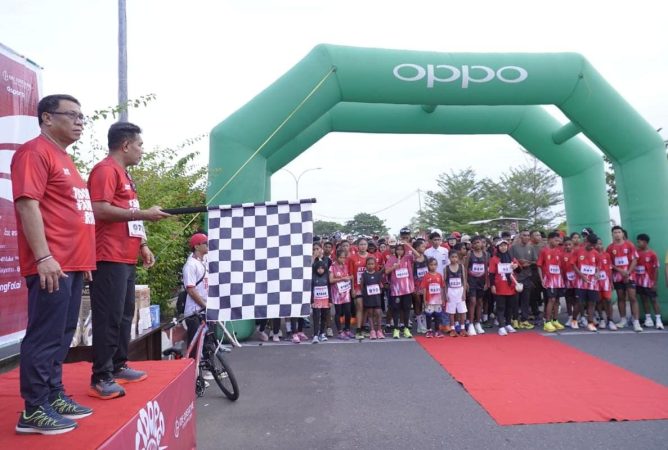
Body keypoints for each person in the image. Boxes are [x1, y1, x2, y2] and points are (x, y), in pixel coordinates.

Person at [11, 94, 96, 434]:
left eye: (82, 117)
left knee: (62, 334)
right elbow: (27, 204)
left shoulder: (65, 158)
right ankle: (33, 410)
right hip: (51, 263)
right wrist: (44, 256)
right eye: (72, 115)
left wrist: (83, 260)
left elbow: (70, 212)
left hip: (72, 264)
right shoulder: (34, 152)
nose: (80, 122)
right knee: (44, 335)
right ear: (47, 118)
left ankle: (53, 394)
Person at [87, 122, 171, 399]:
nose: (142, 150)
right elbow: (99, 209)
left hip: (126, 255)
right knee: (108, 316)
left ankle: (119, 365)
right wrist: (144, 214)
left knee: (124, 314)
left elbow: (131, 212)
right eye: (139, 145)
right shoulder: (105, 170)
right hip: (108, 255)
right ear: (125, 145)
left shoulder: (125, 174)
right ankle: (101, 376)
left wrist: (143, 244)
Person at [606, 226, 642, 331]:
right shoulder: (610, 248)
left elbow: (635, 260)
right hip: (617, 277)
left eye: (619, 232)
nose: (617, 234)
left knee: (632, 297)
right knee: (620, 298)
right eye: (615, 232)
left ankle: (636, 322)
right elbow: (609, 264)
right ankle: (623, 320)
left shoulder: (629, 245)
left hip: (630, 276)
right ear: (612, 234)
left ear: (622, 234)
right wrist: (620, 270)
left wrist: (628, 272)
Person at [385, 242, 416, 339]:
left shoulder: (408, 258)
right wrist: (394, 267)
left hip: (407, 289)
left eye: (401, 249)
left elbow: (418, 256)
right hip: (396, 290)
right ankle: (396, 329)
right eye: (397, 249)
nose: (399, 251)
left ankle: (406, 328)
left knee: (406, 309)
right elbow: (386, 271)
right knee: (396, 309)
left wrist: (409, 245)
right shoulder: (391, 259)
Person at [536, 232, 565, 332]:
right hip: (549, 280)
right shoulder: (543, 251)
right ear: (549, 239)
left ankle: (555, 320)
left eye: (558, 240)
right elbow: (539, 266)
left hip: (558, 279)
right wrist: (541, 279)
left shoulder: (558, 251)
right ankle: (547, 321)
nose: (558, 242)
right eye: (555, 240)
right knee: (551, 299)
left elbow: (560, 266)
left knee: (557, 300)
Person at [488, 240, 519, 336]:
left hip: (511, 286)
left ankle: (508, 324)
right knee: (500, 307)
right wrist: (492, 285)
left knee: (510, 307)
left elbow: (519, 270)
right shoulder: (494, 259)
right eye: (501, 246)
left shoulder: (512, 258)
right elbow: (491, 274)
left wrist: (516, 266)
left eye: (505, 245)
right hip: (499, 286)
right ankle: (501, 326)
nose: (503, 247)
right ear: (497, 248)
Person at [573, 234, 601, 332]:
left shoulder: (596, 253)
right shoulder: (578, 251)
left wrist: (597, 273)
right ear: (586, 242)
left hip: (592, 283)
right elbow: (573, 265)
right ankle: (574, 319)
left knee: (592, 303)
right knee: (580, 302)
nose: (592, 247)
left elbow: (598, 265)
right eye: (590, 244)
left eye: (594, 245)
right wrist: (581, 275)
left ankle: (590, 323)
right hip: (580, 282)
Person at [510, 230, 537, 329]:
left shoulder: (531, 247)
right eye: (524, 235)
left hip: (527, 277)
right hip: (516, 278)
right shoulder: (513, 247)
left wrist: (528, 263)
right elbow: (509, 261)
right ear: (520, 236)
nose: (526, 237)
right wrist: (519, 263)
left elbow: (536, 261)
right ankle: (515, 319)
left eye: (528, 235)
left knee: (526, 300)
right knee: (515, 300)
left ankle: (524, 320)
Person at [635, 234, 663, 329]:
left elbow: (656, 269)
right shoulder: (637, 253)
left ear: (645, 242)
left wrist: (654, 283)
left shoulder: (652, 254)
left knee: (654, 300)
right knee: (644, 299)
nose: (637, 243)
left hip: (650, 282)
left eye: (639, 242)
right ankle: (648, 319)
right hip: (639, 282)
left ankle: (658, 320)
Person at [347, 238, 372, 339]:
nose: (363, 246)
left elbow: (374, 272)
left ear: (367, 246)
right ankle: (358, 330)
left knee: (366, 308)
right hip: (357, 287)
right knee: (359, 307)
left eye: (365, 244)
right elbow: (351, 275)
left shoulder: (371, 257)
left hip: (369, 287)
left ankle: (363, 328)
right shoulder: (352, 258)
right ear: (357, 246)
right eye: (361, 244)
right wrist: (352, 289)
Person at [466, 236, 488, 335]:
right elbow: (465, 268)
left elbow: (486, 269)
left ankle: (478, 323)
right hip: (471, 280)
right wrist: (466, 282)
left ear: (482, 243)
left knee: (480, 302)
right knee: (472, 301)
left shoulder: (485, 254)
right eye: (474, 243)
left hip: (481, 281)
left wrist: (487, 282)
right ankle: (470, 324)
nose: (476, 245)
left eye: (478, 242)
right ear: (472, 245)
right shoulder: (470, 254)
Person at [330, 249, 353, 340]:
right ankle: (339, 331)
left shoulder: (346, 266)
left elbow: (350, 276)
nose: (342, 259)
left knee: (348, 312)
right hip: (337, 293)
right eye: (340, 257)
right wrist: (342, 279)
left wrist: (349, 278)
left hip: (346, 292)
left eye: (344, 257)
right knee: (338, 312)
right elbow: (331, 280)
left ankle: (347, 329)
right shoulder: (332, 267)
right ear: (336, 257)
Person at [444, 251, 468, 337]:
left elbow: (464, 280)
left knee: (462, 311)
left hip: (460, 290)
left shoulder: (461, 267)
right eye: (452, 257)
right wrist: (446, 294)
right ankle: (453, 329)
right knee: (451, 311)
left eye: (455, 257)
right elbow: (445, 282)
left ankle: (462, 329)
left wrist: (464, 293)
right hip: (451, 291)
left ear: (458, 258)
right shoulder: (446, 268)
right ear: (449, 258)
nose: (454, 259)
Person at [420, 258, 445, 338]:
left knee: (438, 315)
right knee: (428, 315)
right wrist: (424, 300)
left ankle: (437, 330)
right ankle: (429, 330)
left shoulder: (439, 276)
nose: (433, 266)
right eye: (431, 265)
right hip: (429, 300)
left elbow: (442, 288)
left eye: (434, 264)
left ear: (437, 265)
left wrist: (443, 299)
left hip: (438, 300)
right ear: (428, 266)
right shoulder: (426, 276)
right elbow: (424, 288)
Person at [360, 257, 384, 339]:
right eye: (369, 264)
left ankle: (379, 330)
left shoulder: (377, 274)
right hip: (368, 297)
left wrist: (380, 288)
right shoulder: (364, 275)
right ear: (366, 265)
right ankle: (372, 330)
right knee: (370, 313)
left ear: (375, 265)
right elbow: (362, 286)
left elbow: (380, 285)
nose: (370, 266)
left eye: (372, 264)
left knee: (378, 312)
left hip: (376, 297)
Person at [596, 238, 617, 330]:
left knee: (608, 300)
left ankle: (610, 320)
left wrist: (611, 282)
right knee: (599, 300)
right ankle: (601, 319)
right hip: (596, 282)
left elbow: (609, 269)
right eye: (597, 244)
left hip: (606, 281)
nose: (599, 246)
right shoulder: (593, 254)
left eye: (600, 244)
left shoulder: (606, 255)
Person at [311, 260, 330, 343]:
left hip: (325, 300)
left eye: (322, 268)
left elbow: (329, 288)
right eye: (318, 268)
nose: (320, 270)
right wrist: (311, 301)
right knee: (316, 317)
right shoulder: (313, 277)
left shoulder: (326, 276)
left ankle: (322, 333)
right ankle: (315, 335)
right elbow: (311, 290)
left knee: (324, 317)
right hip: (316, 301)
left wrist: (330, 300)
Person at [412, 239, 429, 334]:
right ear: (417, 248)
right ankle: (419, 324)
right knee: (417, 303)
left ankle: (425, 322)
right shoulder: (413, 259)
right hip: (416, 285)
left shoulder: (426, 258)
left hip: (425, 284)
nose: (424, 248)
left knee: (425, 303)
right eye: (422, 246)